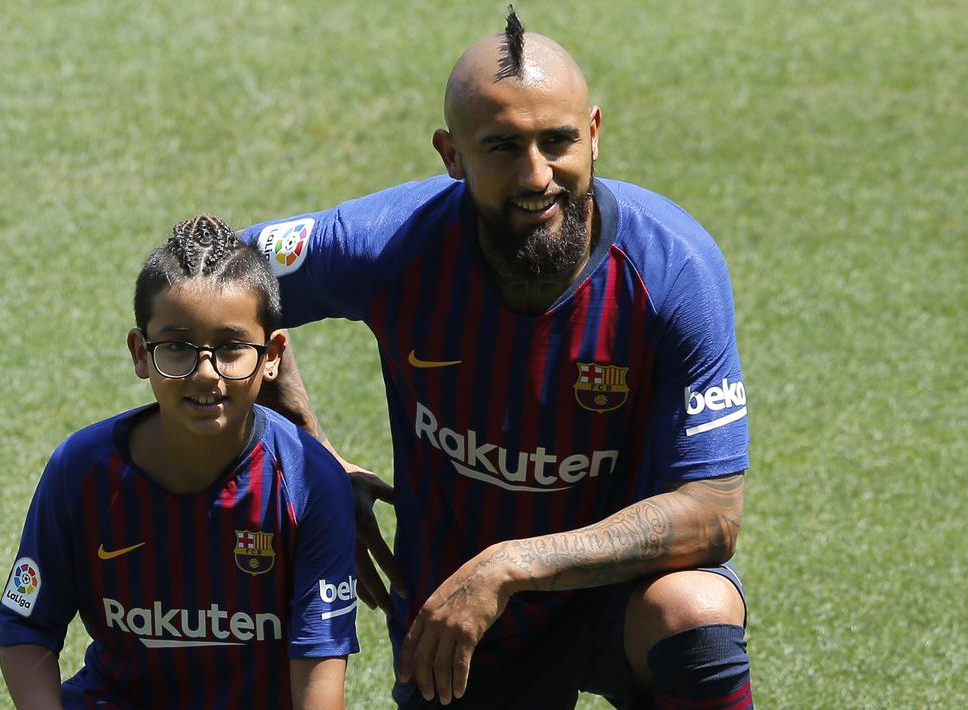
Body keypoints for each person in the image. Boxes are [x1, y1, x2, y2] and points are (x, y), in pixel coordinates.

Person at [242, 8, 753, 709]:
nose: (536, 174)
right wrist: (311, 458)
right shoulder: (389, 243)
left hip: (615, 590)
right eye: (502, 147)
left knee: (694, 611)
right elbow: (210, 273)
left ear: (595, 135)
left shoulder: (671, 267)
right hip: (456, 615)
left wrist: (513, 564)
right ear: (451, 156)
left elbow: (712, 515)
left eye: (558, 140)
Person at [0, 216, 360, 709]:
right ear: (140, 353)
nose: (205, 373)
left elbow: (318, 674)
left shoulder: (311, 484)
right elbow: (27, 630)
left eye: (231, 347)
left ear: (271, 354)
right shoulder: (80, 470)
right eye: (176, 347)